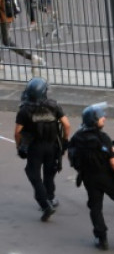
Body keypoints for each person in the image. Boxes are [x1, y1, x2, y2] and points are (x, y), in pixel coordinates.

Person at [68, 102, 114, 250]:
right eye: (101, 117)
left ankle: (101, 238)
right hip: (107, 176)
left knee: (95, 207)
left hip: (88, 177)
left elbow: (72, 156)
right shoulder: (102, 138)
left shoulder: (77, 137)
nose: (104, 119)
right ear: (94, 121)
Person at [16, 77, 70, 222]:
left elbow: (18, 132)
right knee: (49, 173)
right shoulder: (54, 106)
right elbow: (66, 125)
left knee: (33, 173)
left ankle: (44, 204)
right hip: (52, 146)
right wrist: (65, 141)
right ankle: (50, 198)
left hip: (35, 147)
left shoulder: (25, 109)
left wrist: (19, 146)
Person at [0, 0, 44, 67]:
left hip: (3, 19)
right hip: (7, 18)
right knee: (6, 41)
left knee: (7, 41)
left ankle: (31, 57)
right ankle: (32, 57)